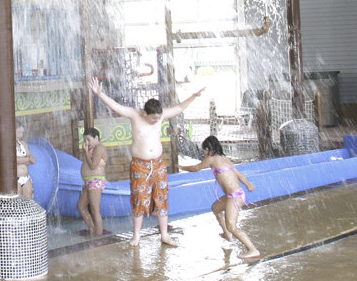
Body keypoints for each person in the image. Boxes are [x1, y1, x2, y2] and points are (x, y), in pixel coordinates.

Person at [88, 77, 205, 247]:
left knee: (162, 198)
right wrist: (100, 94)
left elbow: (179, 108)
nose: (157, 121)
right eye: (153, 119)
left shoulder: (160, 115)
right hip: (140, 166)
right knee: (139, 199)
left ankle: (164, 235)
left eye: (159, 118)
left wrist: (193, 96)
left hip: (158, 164)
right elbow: (115, 106)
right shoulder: (135, 116)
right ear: (145, 113)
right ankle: (136, 236)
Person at [179, 135, 260, 259]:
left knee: (232, 225)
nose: (204, 153)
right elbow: (238, 174)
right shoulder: (224, 158)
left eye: (204, 150)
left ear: (208, 149)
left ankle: (252, 249)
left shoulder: (211, 158)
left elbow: (196, 168)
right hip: (233, 194)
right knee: (216, 208)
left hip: (235, 196)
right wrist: (248, 185)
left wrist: (181, 167)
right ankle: (227, 234)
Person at [77, 127, 108, 236]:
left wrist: (85, 151)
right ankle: (92, 228)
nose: (86, 142)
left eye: (88, 140)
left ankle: (99, 236)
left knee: (95, 210)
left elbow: (93, 165)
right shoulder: (91, 149)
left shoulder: (99, 148)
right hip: (88, 182)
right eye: (85, 140)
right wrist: (87, 151)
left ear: (96, 138)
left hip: (95, 181)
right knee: (81, 206)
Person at [14, 123, 37, 198]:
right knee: (18, 203)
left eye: (22, 132)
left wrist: (22, 160)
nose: (21, 134)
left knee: (28, 203)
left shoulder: (23, 143)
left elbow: (32, 159)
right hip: (15, 178)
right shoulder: (8, 144)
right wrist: (27, 159)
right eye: (19, 132)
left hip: (26, 177)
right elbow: (13, 160)